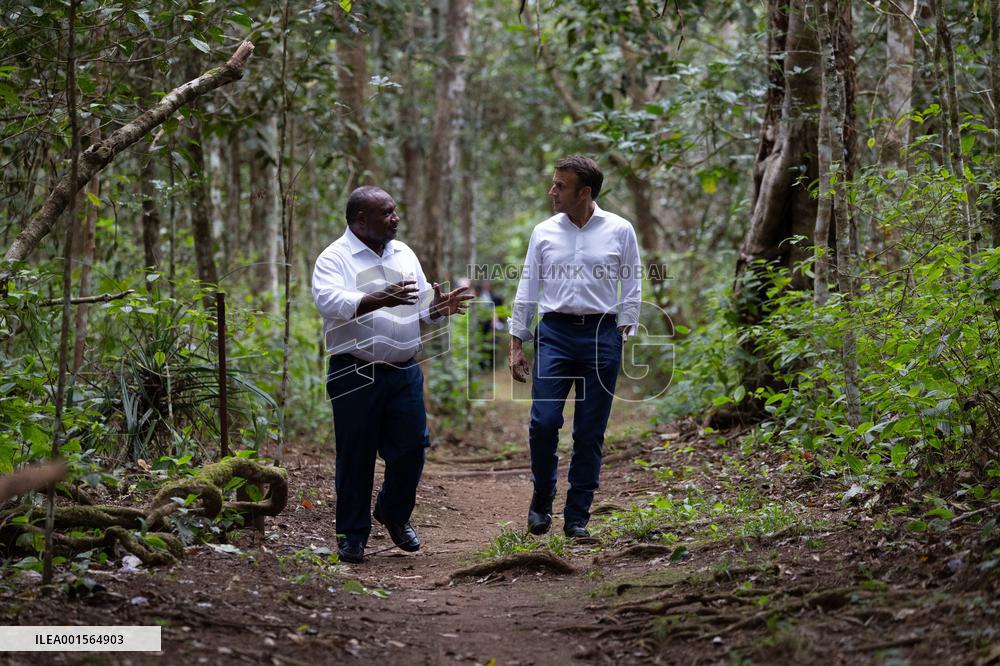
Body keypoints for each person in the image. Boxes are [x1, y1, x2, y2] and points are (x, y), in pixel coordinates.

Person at [312, 186, 472, 564]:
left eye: (394, 211)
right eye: (387, 213)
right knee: (356, 455)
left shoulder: (403, 253)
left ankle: (393, 512)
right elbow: (329, 302)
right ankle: (352, 535)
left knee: (412, 449)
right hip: (354, 372)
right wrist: (381, 298)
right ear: (361, 219)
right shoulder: (334, 258)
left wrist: (438, 308)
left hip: (403, 371)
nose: (395, 218)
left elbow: (419, 306)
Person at [508, 156, 642, 539]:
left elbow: (632, 281)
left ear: (584, 192)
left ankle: (577, 516)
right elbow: (528, 287)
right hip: (555, 333)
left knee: (589, 430)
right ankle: (542, 498)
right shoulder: (543, 232)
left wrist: (623, 328)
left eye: (560, 186)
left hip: (602, 335)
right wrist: (516, 343)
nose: (552, 191)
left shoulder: (620, 229)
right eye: (554, 183)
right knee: (544, 421)